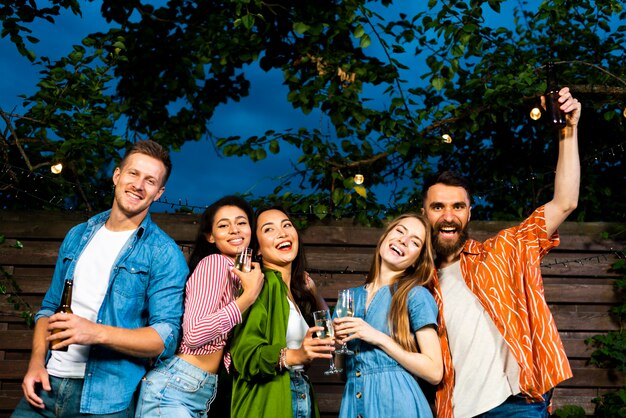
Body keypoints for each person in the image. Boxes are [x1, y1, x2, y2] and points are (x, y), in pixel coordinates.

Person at [421, 87, 582, 418]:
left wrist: (568, 131)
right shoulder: (418, 284)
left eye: (457, 206)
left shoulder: (505, 249)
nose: (448, 215)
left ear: (469, 213)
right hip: (452, 410)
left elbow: (565, 201)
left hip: (515, 406)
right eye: (438, 206)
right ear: (424, 214)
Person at [12, 140, 189, 417]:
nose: (139, 185)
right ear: (117, 175)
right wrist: (36, 362)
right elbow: (48, 308)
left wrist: (95, 332)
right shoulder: (77, 235)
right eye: (133, 174)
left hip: (106, 400)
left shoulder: (163, 253)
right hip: (45, 387)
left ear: (158, 193)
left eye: (150, 180)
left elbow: (164, 337)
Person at [135, 195, 265, 417]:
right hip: (175, 388)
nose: (234, 229)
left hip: (197, 390)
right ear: (211, 236)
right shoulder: (215, 263)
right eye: (223, 225)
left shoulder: (241, 275)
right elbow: (194, 334)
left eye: (241, 222)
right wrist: (248, 298)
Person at [333, 213, 443, 418]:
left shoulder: (415, 295)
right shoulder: (348, 297)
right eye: (400, 231)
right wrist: (339, 345)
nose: (403, 240)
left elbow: (435, 372)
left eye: (414, 242)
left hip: (398, 404)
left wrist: (378, 337)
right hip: (353, 402)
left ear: (416, 261)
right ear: (384, 237)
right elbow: (341, 371)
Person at [229, 206, 331, 418]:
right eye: (269, 229)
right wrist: (295, 355)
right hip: (268, 401)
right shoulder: (262, 285)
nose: (282, 233)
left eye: (286, 225)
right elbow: (244, 355)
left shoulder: (289, 292)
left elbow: (329, 334)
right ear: (257, 249)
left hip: (299, 393)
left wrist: (314, 293)